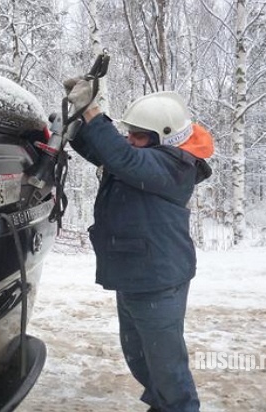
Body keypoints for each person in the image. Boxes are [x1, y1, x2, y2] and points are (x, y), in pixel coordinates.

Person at [64, 78, 213, 412]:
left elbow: (122, 158)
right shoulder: (143, 157)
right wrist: (73, 125)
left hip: (159, 279)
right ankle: (162, 404)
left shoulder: (175, 166)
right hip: (135, 274)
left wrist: (91, 110)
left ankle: (178, 407)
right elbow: (107, 152)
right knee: (139, 357)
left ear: (165, 137)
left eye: (138, 135)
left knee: (166, 365)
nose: (129, 139)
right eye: (129, 133)